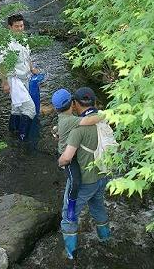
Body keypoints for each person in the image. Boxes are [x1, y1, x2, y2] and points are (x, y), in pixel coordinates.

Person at [58, 87, 111, 260]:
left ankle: (70, 254)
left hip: (85, 182)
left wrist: (60, 162)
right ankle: (106, 239)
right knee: (97, 206)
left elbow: (66, 158)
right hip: (103, 176)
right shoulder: (104, 120)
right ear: (94, 102)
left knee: (69, 216)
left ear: (75, 104)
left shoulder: (77, 130)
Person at [51, 88, 103, 222]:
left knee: (75, 182)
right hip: (95, 171)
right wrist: (104, 115)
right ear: (72, 103)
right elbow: (88, 121)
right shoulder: (71, 121)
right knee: (76, 181)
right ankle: (72, 208)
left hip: (71, 157)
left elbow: (65, 155)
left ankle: (70, 210)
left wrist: (60, 162)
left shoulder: (67, 119)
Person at [0, 14, 39, 142]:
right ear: (10, 27)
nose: (20, 29)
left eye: (21, 26)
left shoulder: (23, 39)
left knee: (16, 107)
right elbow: (1, 65)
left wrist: (32, 68)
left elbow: (27, 56)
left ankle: (12, 131)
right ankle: (23, 139)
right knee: (30, 110)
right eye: (16, 26)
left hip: (26, 77)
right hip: (14, 80)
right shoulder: (5, 44)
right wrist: (4, 83)